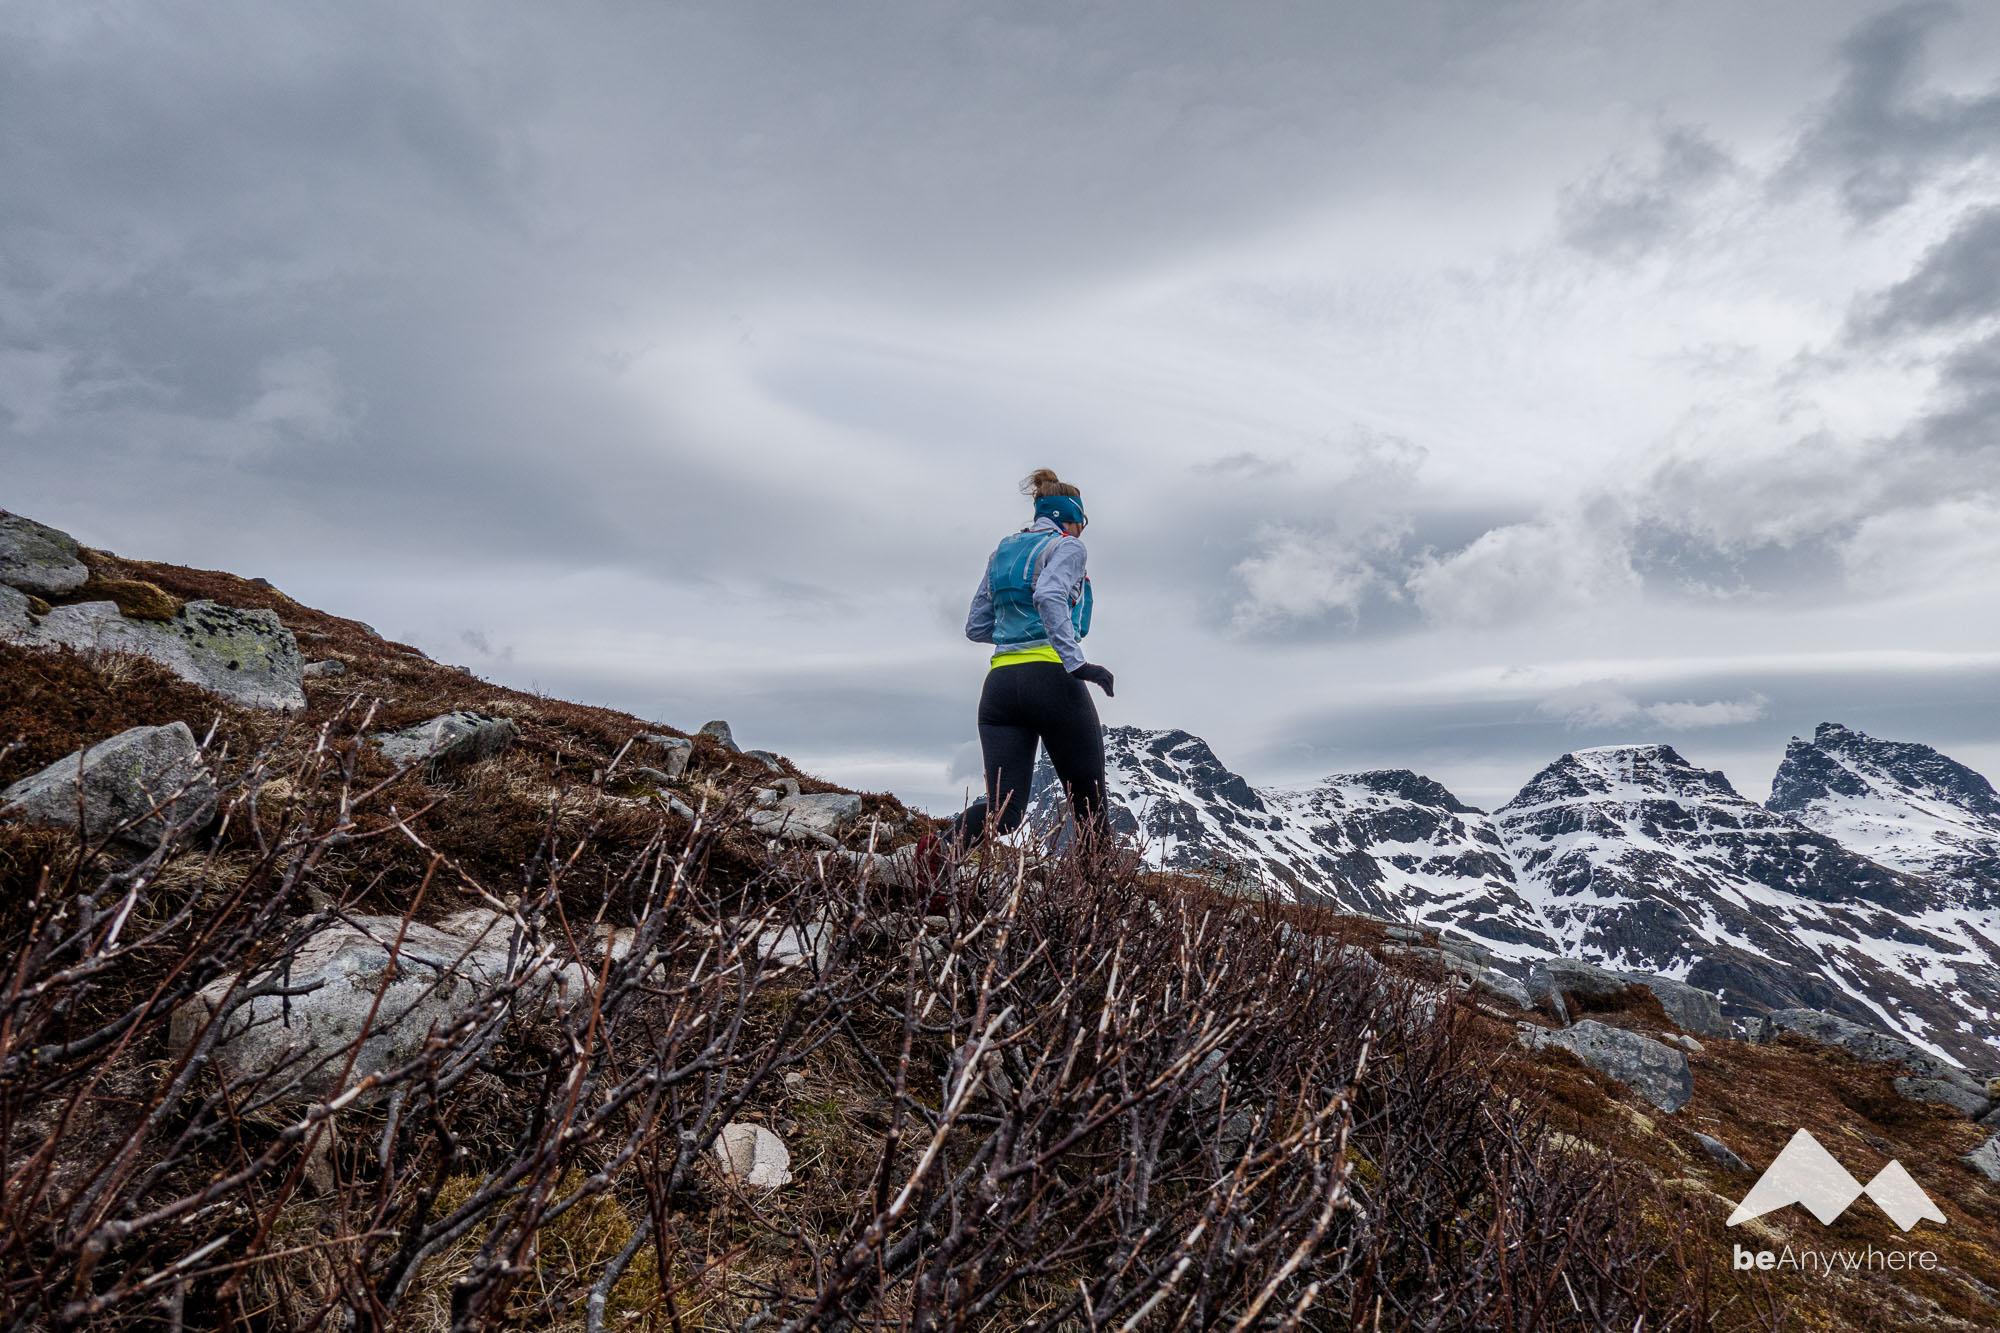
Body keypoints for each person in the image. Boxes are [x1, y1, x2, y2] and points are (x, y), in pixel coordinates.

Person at [926, 468, 1116, 866]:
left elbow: (976, 626)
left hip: (999, 686)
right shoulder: (1067, 547)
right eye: (1083, 521)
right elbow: (1049, 595)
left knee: (1004, 811)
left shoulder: (1002, 551)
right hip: (1050, 678)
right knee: (1089, 805)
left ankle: (937, 855)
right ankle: (1102, 900)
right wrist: (1078, 664)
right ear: (1072, 517)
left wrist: (1014, 634)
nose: (1082, 530)